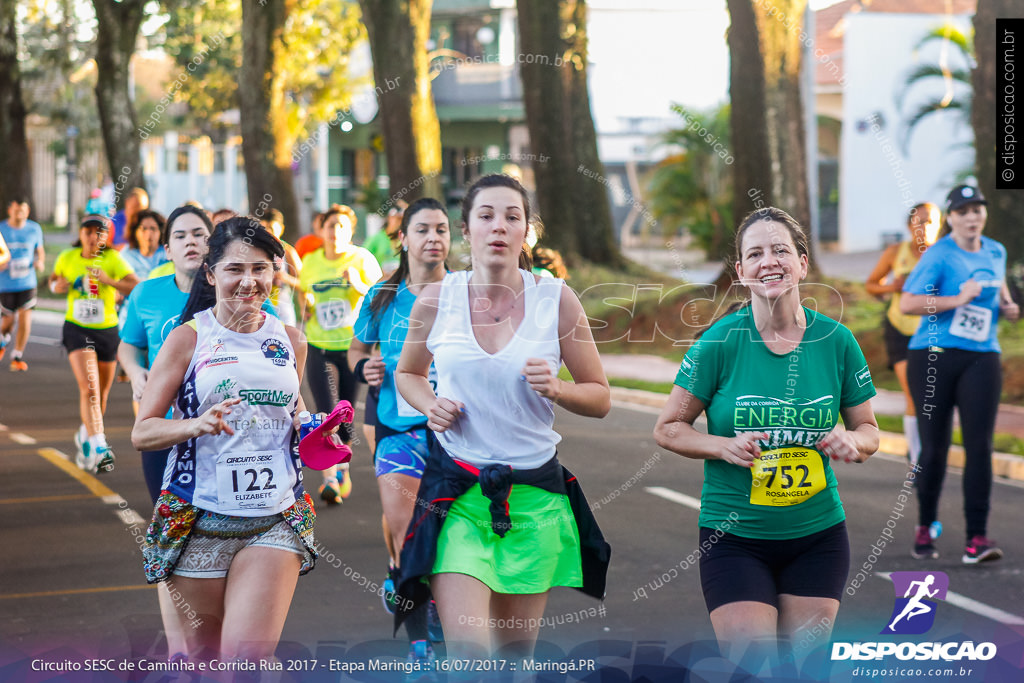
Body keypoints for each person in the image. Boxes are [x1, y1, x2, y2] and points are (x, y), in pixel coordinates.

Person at [394, 174, 611, 662]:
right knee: (469, 659)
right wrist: (431, 405)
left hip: (533, 501)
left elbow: (599, 397)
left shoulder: (557, 300)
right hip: (459, 496)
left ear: (527, 232)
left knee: (515, 663)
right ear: (466, 231)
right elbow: (407, 374)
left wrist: (557, 388)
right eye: (486, 216)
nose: (499, 227)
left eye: (512, 217)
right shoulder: (436, 298)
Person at [652, 207, 879, 665]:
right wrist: (722, 445)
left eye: (780, 250)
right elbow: (668, 427)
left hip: (818, 535)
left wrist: (854, 443)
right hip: (734, 539)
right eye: (755, 253)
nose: (768, 261)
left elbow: (870, 430)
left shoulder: (837, 342)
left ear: (802, 263)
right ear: (740, 271)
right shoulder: (719, 342)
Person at [132, 217, 316, 664]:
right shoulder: (187, 339)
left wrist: (317, 428)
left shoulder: (291, 340)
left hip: (275, 515)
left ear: (275, 272)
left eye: (260, 268)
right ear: (211, 275)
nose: (249, 281)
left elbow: (292, 415)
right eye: (235, 269)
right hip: (198, 519)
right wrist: (195, 425)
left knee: (245, 664)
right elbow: (143, 431)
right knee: (200, 663)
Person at [349, 197, 450, 664]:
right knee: (406, 529)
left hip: (455, 432)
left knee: (449, 536)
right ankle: (420, 645)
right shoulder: (382, 297)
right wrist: (365, 367)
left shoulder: (466, 295)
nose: (434, 238)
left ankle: (441, 613)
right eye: (423, 229)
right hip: (395, 425)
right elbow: (356, 351)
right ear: (404, 238)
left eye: (442, 230)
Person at [900, 185, 1020, 564]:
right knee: (935, 448)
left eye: (977, 210)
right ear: (950, 218)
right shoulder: (939, 255)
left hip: (982, 356)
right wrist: (957, 299)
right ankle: (925, 526)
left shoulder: (995, 250)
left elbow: (997, 282)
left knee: (979, 447)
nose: (972, 217)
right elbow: (908, 302)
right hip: (934, 356)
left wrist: (1007, 305)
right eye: (963, 211)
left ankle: (976, 539)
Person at [117, 204, 212, 660]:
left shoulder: (237, 290)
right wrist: (136, 372)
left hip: (226, 436)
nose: (191, 241)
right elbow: (128, 345)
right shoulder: (147, 294)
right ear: (167, 247)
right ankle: (179, 650)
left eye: (199, 233)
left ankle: (218, 637)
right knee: (175, 536)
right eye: (181, 236)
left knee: (220, 535)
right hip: (164, 434)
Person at [299, 204, 382, 504]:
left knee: (345, 415)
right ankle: (330, 478)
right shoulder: (310, 261)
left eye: (342, 227)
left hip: (352, 348)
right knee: (327, 411)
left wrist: (357, 283)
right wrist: (305, 309)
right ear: (321, 230)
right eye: (331, 226)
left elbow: (378, 298)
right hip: (319, 345)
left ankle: (342, 465)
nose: (335, 232)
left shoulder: (362, 259)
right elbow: (303, 293)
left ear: (350, 232)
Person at [49, 215, 139, 472]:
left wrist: (108, 280)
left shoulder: (112, 259)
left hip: (107, 330)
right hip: (77, 329)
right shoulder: (68, 256)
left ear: (105, 237)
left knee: (100, 395)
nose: (93, 237)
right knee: (89, 388)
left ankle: (85, 433)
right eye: (88, 231)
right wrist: (61, 286)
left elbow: (135, 286)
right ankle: (100, 445)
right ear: (81, 234)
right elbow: (54, 282)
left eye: (99, 232)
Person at [864, 203, 940, 466]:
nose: (925, 227)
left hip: (934, 333)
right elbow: (872, 285)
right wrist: (892, 286)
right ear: (909, 226)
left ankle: (929, 453)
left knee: (933, 396)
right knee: (913, 392)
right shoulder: (896, 252)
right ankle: (918, 461)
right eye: (920, 222)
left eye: (931, 221)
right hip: (900, 330)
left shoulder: (944, 254)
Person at [0, 197, 45, 370]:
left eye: (24, 210)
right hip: (6, 283)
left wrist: (39, 262)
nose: (21, 213)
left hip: (27, 282)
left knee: (26, 319)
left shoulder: (34, 229)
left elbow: (39, 251)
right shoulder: (1, 229)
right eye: (17, 210)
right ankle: (3, 340)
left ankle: (17, 355)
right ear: (10, 210)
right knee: (8, 322)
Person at [260, 208, 302, 326]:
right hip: (260, 308)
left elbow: (303, 283)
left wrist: (285, 278)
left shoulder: (288, 251)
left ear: (281, 229)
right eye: (264, 229)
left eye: (272, 229)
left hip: (284, 309)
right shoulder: (254, 252)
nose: (268, 232)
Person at [363, 201, 408, 278]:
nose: (399, 222)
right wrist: (378, 271)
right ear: (389, 218)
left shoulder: (406, 239)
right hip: (381, 281)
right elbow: (363, 258)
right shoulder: (376, 238)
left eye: (401, 219)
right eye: (396, 218)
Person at [122, 209, 170, 280]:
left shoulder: (169, 253)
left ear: (161, 231)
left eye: (153, 229)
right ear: (135, 232)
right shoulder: (126, 255)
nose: (148, 233)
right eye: (143, 229)